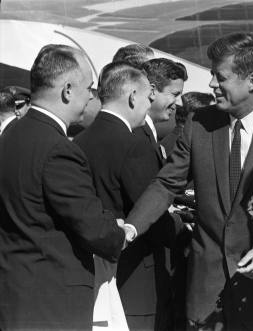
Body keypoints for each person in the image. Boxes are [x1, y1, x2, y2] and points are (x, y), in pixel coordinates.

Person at [125, 32, 253, 330]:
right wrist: (131, 227)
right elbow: (166, 184)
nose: (212, 84)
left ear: (252, 81)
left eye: (220, 76)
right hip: (205, 290)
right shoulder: (199, 123)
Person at [0, 44, 131, 330]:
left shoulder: (10, 136)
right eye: (89, 88)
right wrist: (120, 234)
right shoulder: (58, 149)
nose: (91, 97)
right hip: (52, 301)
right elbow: (93, 228)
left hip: (15, 291)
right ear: (68, 90)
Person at [74, 61, 180, 330]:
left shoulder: (80, 141)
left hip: (92, 271)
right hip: (135, 277)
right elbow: (151, 211)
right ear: (133, 96)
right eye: (148, 97)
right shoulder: (134, 144)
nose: (149, 105)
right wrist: (185, 230)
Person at [138, 58, 187, 163]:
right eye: (175, 94)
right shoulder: (136, 135)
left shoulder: (146, 133)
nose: (180, 103)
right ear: (152, 91)